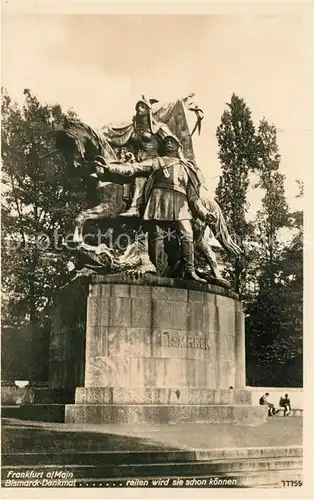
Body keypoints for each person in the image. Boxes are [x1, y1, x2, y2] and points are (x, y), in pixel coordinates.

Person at [96, 134, 212, 282]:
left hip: (180, 202)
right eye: (167, 142)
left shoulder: (187, 168)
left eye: (172, 141)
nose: (169, 143)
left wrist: (205, 213)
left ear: (178, 147)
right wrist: (109, 167)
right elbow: (133, 168)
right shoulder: (156, 161)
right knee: (156, 235)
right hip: (158, 199)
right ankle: (157, 271)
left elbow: (194, 198)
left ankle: (189, 270)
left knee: (187, 234)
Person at [104, 96, 174, 217]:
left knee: (140, 176)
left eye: (142, 106)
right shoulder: (133, 129)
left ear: (149, 110)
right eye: (137, 107)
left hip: (154, 161)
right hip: (135, 161)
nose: (139, 109)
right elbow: (121, 140)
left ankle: (135, 207)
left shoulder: (159, 128)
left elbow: (171, 142)